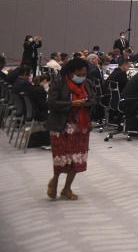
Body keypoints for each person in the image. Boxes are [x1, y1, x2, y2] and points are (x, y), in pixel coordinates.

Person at [46, 58, 98, 200]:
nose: (82, 77)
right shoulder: (59, 82)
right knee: (61, 158)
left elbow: (94, 99)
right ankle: (55, 180)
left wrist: (86, 103)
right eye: (79, 74)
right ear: (70, 72)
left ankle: (67, 188)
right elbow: (51, 103)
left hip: (80, 127)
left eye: (84, 74)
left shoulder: (87, 83)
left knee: (77, 159)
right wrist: (71, 104)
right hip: (61, 126)